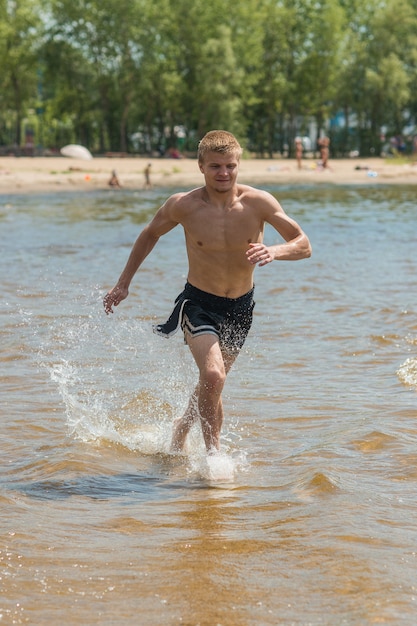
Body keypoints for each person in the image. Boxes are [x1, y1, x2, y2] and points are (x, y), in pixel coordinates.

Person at [103, 130, 312, 454]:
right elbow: (149, 235)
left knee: (212, 384)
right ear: (201, 166)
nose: (224, 173)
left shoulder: (258, 203)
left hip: (241, 307)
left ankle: (180, 430)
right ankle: (214, 458)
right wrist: (123, 284)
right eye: (215, 166)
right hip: (198, 302)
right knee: (214, 376)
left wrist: (275, 251)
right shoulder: (183, 205)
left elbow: (303, 245)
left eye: (230, 166)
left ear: (238, 164)